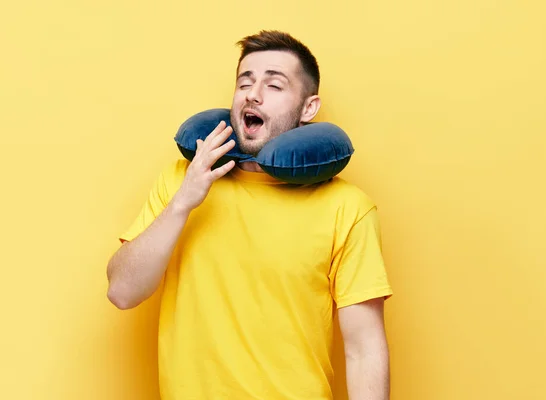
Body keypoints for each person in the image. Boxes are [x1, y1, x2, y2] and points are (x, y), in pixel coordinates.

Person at [106, 30, 393, 400]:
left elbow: (364, 348)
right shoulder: (182, 181)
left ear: (309, 107)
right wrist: (183, 202)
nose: (253, 94)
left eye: (274, 85)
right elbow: (122, 292)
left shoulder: (347, 207)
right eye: (245, 82)